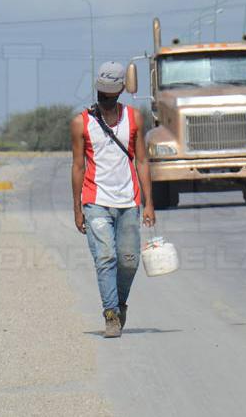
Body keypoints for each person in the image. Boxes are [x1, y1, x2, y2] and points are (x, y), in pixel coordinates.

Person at [71, 61, 156, 339]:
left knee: (129, 261)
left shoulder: (134, 119)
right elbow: (78, 167)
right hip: (95, 201)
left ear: (120, 91)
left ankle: (120, 304)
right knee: (105, 257)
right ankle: (110, 314)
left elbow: (142, 160)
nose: (105, 96)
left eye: (111, 91)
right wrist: (77, 208)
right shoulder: (81, 123)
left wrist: (149, 203)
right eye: (102, 90)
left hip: (129, 202)